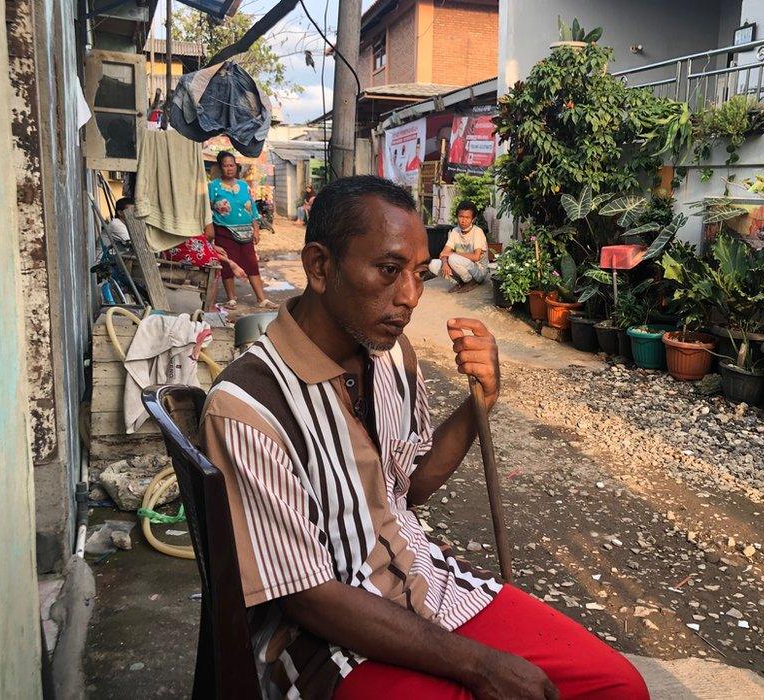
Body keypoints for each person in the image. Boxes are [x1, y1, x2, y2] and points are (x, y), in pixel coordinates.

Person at [200, 175, 649, 699]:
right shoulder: (245, 407)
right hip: (329, 642)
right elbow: (307, 597)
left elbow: (408, 488)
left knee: (617, 686)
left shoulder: (392, 355)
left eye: (418, 273)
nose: (411, 296)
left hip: (428, 584)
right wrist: (480, 666)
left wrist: (481, 400)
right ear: (320, 266)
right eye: (389, 271)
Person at [207, 150, 277, 310]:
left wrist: (256, 228)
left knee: (251, 263)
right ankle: (232, 299)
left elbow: (252, 209)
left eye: (231, 165)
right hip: (223, 231)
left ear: (236, 167)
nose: (229, 168)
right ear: (220, 167)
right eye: (225, 166)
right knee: (226, 265)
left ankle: (261, 299)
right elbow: (207, 210)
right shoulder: (213, 187)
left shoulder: (244, 186)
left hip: (246, 232)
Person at [428, 200, 488, 293]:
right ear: (457, 217)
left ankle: (471, 282)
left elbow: (476, 257)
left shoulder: (477, 232)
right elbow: (444, 253)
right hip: (463, 265)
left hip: (479, 271)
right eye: (461, 216)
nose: (463, 220)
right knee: (433, 264)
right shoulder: (455, 231)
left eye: (467, 217)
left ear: (473, 219)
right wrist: (444, 263)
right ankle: (460, 282)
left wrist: (452, 254)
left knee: (452, 258)